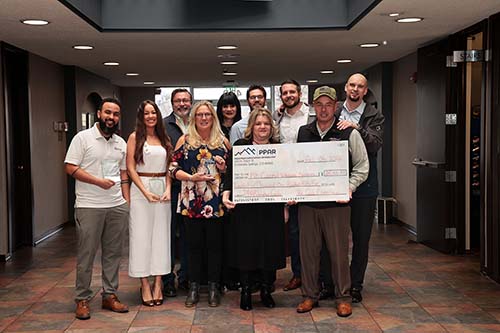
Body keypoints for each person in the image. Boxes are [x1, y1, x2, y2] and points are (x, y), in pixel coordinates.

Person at [295, 86, 368, 317]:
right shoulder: (303, 132)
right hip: (308, 204)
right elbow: (296, 165)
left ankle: (343, 297)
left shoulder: (348, 132)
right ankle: (309, 295)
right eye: (319, 104)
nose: (324, 109)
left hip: (337, 205)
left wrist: (350, 186)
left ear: (336, 106)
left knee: (338, 253)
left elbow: (362, 166)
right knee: (308, 253)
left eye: (328, 104)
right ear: (313, 106)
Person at [65, 97, 130, 320]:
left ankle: (109, 295)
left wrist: (126, 201)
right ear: (99, 113)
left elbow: (123, 175)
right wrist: (97, 182)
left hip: (116, 205)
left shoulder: (121, 143)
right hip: (89, 205)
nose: (112, 118)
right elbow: (70, 167)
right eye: (108, 113)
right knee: (87, 255)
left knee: (113, 255)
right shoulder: (82, 138)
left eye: (116, 114)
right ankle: (82, 299)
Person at [222, 108, 286, 311]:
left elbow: (285, 177)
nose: (262, 127)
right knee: (246, 248)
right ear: (251, 127)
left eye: (266, 123)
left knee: (270, 248)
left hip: (271, 207)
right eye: (258, 123)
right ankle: (246, 291)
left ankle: (267, 290)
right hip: (245, 207)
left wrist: (287, 202)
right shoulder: (240, 146)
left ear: (271, 127)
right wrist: (226, 194)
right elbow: (230, 174)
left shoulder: (279, 148)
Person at [170, 101, 230, 307]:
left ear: (213, 118)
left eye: (208, 115)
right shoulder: (184, 140)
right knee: (193, 247)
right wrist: (190, 177)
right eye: (200, 115)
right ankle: (194, 287)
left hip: (215, 203)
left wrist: (223, 168)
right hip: (192, 201)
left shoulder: (222, 141)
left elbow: (231, 173)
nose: (204, 118)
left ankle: (214, 287)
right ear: (194, 118)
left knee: (215, 247)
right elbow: (172, 170)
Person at [337, 73, 384, 303]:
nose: (355, 89)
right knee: (334, 238)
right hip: (335, 185)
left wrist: (357, 128)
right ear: (346, 87)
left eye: (360, 86)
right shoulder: (334, 111)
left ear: (365, 91)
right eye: (352, 85)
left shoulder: (374, 115)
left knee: (361, 238)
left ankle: (355, 285)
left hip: (365, 187)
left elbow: (375, 144)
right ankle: (335, 283)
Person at [127, 100, 173, 306]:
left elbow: (170, 167)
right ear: (141, 116)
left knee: (161, 237)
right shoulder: (135, 137)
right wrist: (144, 191)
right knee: (141, 236)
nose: (150, 116)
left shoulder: (164, 138)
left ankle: (158, 283)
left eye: (153, 112)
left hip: (162, 189)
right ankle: (144, 283)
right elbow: (130, 168)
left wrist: (168, 188)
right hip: (141, 190)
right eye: (146, 113)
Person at [273, 79, 315, 292]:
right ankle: (298, 274)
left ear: (300, 93)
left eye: (292, 92)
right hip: (286, 180)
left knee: (313, 232)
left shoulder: (312, 115)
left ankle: (315, 276)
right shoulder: (277, 118)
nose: (288, 95)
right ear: (281, 96)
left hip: (310, 179)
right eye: (285, 93)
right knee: (294, 231)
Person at [162, 88, 192, 297]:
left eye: (186, 100)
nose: (182, 104)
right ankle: (167, 279)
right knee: (170, 235)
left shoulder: (198, 122)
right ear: (172, 103)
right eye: (178, 101)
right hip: (172, 188)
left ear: (191, 102)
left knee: (189, 236)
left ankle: (186, 277)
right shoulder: (163, 125)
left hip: (193, 191)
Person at [215, 91, 242, 291]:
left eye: (232, 105)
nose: (229, 109)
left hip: (241, 184)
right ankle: (224, 276)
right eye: (225, 106)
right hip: (217, 185)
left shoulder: (244, 127)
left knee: (237, 233)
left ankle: (239, 274)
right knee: (222, 234)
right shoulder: (215, 129)